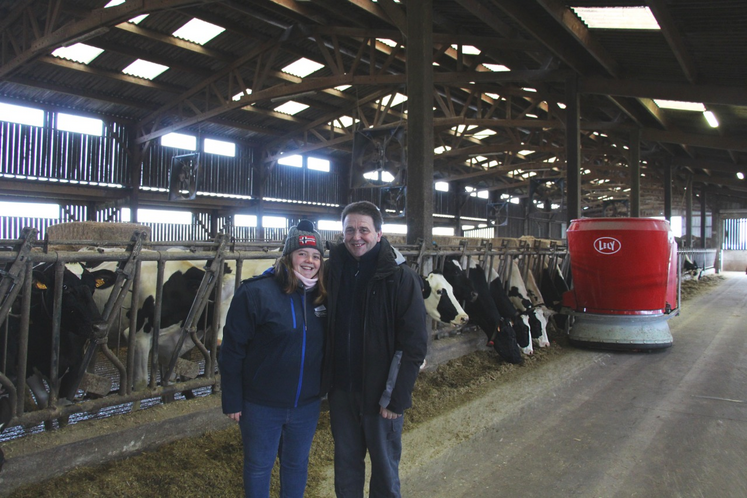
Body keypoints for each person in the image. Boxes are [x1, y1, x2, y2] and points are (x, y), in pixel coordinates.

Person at [322, 200, 428, 497]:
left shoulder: (399, 276)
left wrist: (396, 398)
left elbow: (415, 343)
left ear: (379, 233)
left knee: (383, 468)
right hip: (342, 391)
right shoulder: (332, 271)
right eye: (350, 230)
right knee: (345, 465)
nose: (357, 236)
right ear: (342, 233)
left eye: (364, 230)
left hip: (381, 394)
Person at [219, 220, 327, 498]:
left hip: (306, 405)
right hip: (261, 404)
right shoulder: (255, 292)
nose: (309, 261)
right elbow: (232, 349)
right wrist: (232, 398)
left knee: (296, 464)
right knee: (258, 466)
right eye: (302, 254)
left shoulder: (323, 297)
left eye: (316, 256)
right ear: (288, 256)